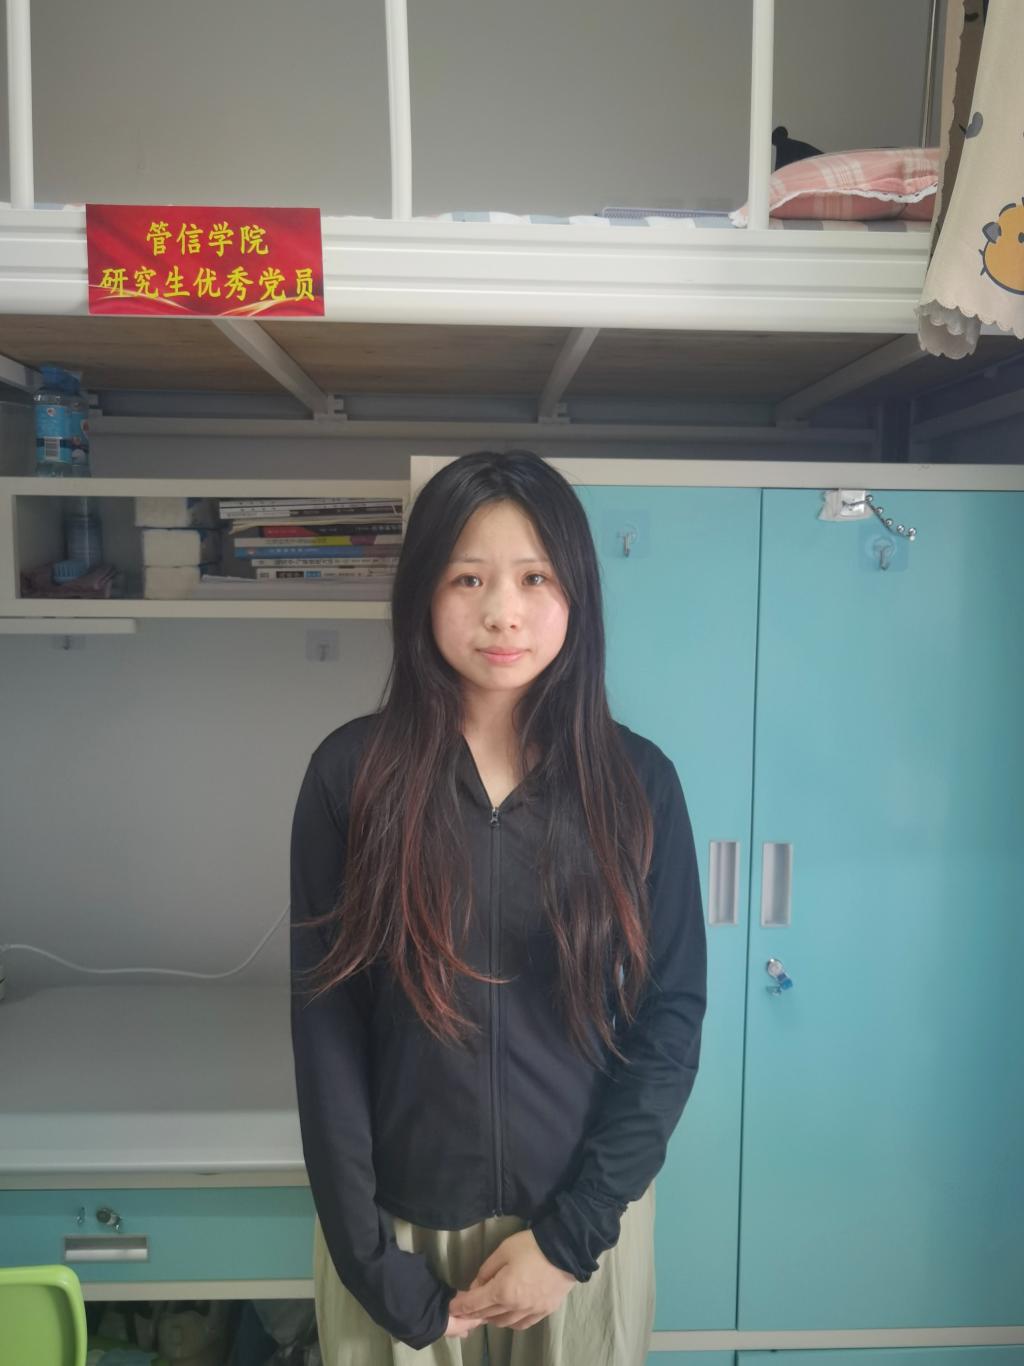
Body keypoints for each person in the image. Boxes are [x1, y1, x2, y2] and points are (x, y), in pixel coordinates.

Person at [289, 449, 708, 1364]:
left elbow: (671, 1020)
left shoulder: (637, 784)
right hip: (400, 1233)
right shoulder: (351, 777)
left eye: (534, 578)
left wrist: (569, 1241)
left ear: (576, 593)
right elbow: (325, 1031)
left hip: (577, 1236)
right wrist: (372, 1264)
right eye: (468, 578)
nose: (503, 612)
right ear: (421, 593)